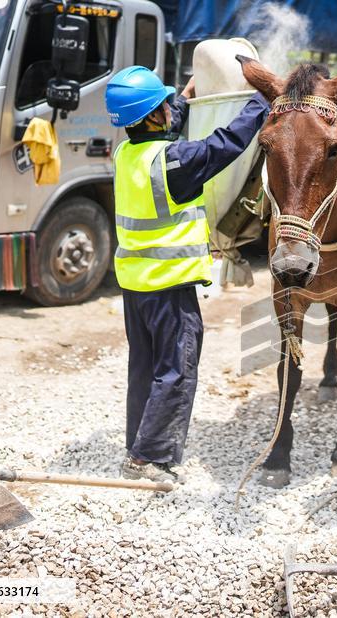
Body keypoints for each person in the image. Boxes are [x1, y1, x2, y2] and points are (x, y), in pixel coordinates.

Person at [105, 66, 269, 483]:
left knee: (146, 369)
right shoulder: (173, 163)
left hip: (135, 286)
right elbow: (227, 143)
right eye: (162, 105)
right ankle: (151, 461)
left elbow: (162, 127)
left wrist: (183, 96)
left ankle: (137, 446)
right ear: (149, 117)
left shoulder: (127, 154)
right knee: (177, 370)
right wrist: (263, 101)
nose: (168, 109)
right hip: (169, 287)